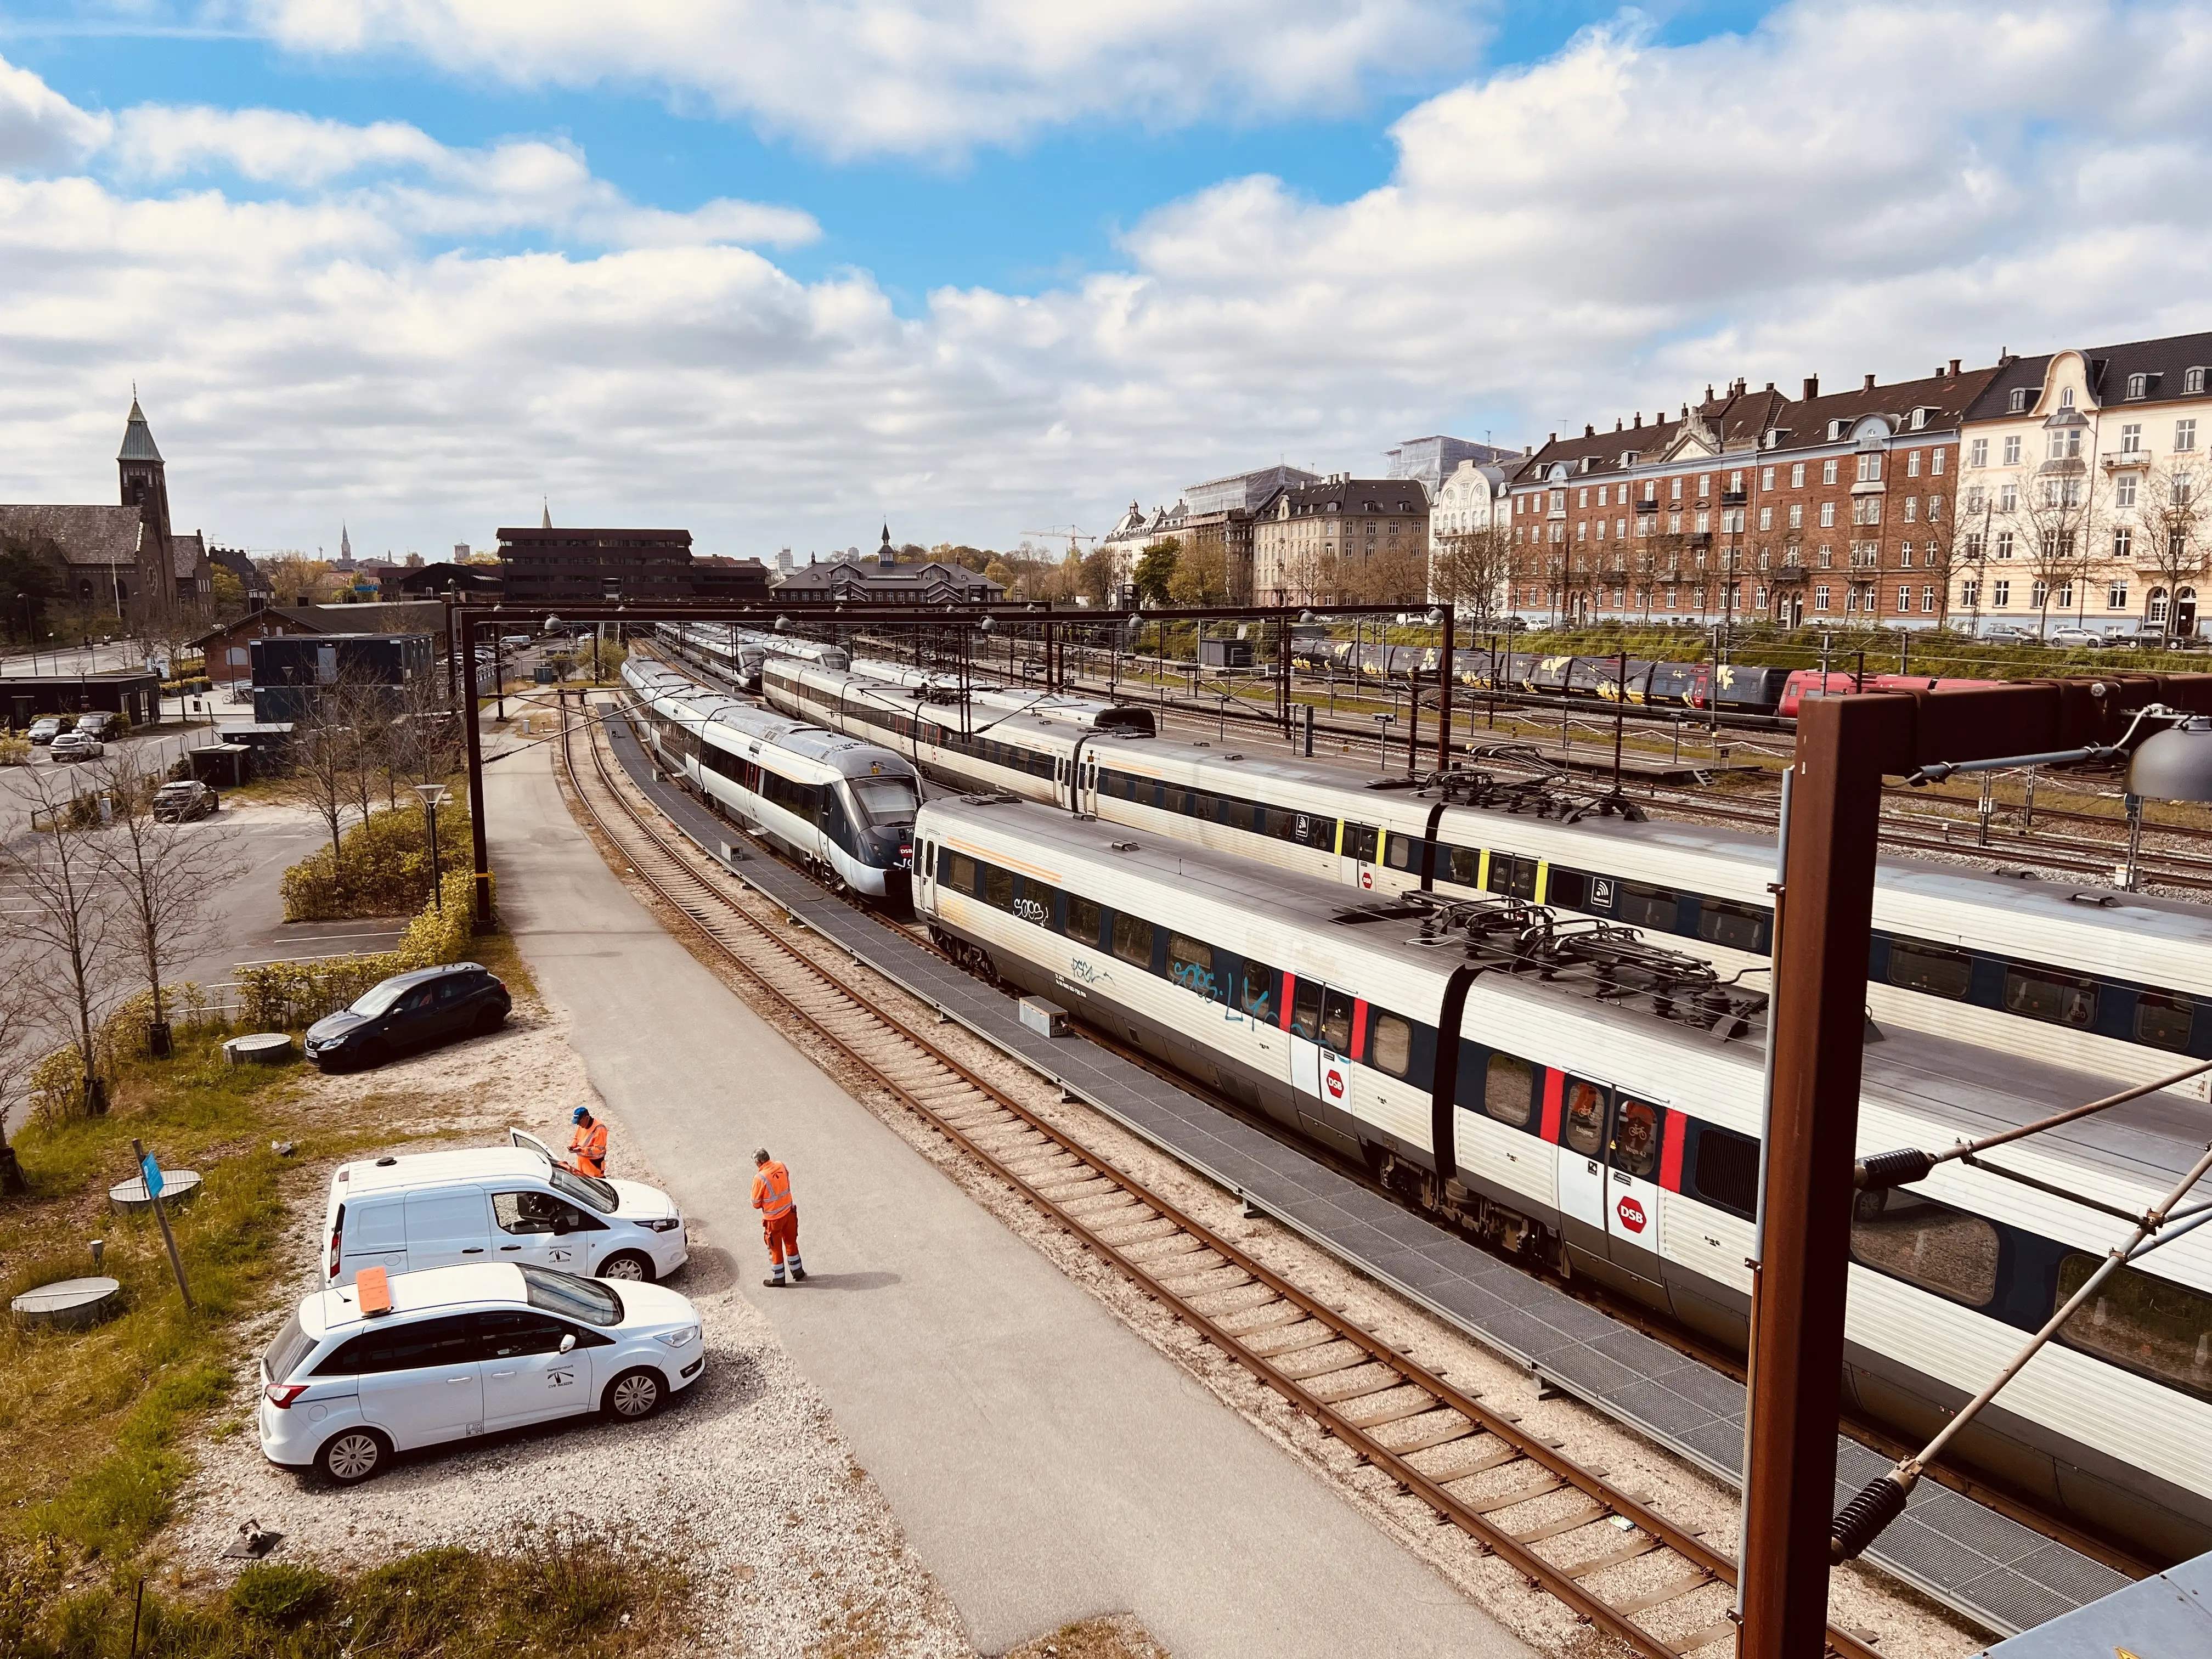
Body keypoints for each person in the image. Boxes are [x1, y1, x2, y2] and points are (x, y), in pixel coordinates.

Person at [751, 1148, 805, 1286]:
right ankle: (798, 1272)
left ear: (758, 1162)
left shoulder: (760, 1178)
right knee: (791, 1242)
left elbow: (756, 1203)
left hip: (773, 1220)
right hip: (789, 1213)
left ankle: (779, 1278)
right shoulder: (781, 1165)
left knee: (775, 1248)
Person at [567, 1105, 608, 1179]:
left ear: (587, 1118)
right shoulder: (581, 1126)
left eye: (579, 1122)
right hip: (582, 1167)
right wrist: (573, 1145)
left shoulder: (599, 1129)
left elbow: (599, 1151)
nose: (578, 1125)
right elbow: (576, 1138)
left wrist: (581, 1150)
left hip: (595, 1168)